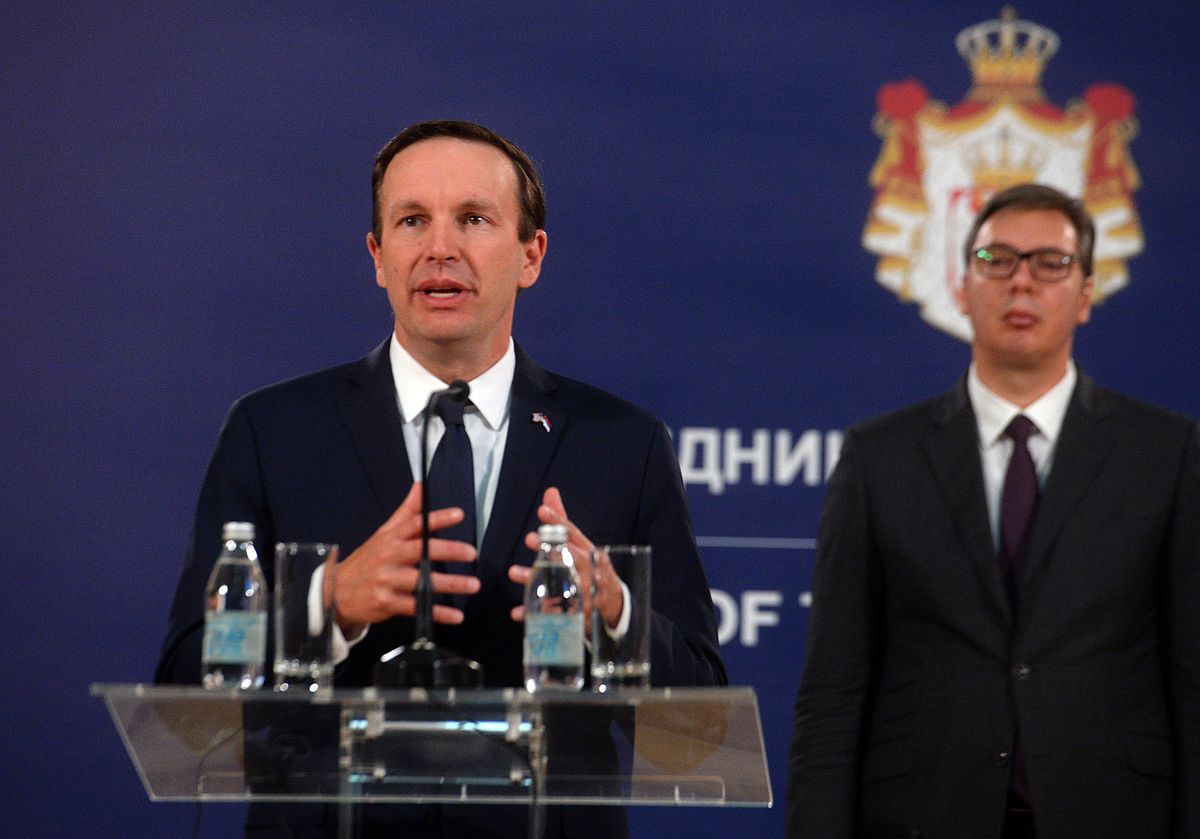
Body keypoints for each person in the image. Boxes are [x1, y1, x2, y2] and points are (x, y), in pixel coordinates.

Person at [156, 119, 726, 838]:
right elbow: (181, 702)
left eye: (475, 219)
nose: (440, 248)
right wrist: (326, 605)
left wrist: (616, 614)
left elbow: (705, 725)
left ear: (531, 255)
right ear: (378, 255)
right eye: (412, 220)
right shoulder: (274, 431)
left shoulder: (622, 443)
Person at [787, 183, 1200, 839]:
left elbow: (1189, 680)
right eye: (997, 259)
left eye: (1050, 263)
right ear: (961, 285)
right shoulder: (878, 456)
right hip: (925, 814)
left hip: (1114, 812)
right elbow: (834, 691)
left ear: (1088, 292)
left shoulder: (1168, 454)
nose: (1022, 283)